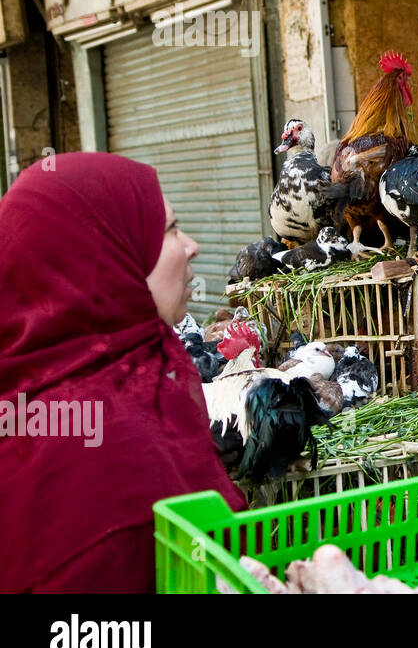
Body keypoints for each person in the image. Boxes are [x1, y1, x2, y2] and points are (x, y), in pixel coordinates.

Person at [0, 152, 247, 593]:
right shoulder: (105, 453)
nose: (192, 245)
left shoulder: (53, 396)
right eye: (169, 229)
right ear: (100, 258)